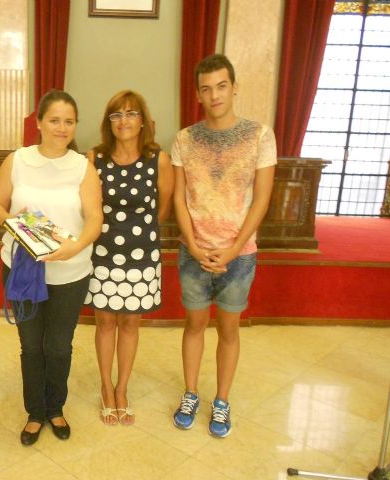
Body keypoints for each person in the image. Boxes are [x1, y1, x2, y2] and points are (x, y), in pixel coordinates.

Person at [0, 89, 103, 446]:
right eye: (54, 120)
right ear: (38, 123)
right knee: (31, 345)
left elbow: (95, 218)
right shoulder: (18, 160)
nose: (61, 128)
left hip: (70, 272)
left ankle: (56, 407)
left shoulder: (83, 167)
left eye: (69, 121)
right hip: (23, 268)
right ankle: (35, 412)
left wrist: (76, 246)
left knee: (59, 346)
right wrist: (12, 222)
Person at [171, 54, 276, 438]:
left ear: (234, 87)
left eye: (221, 86)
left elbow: (262, 199)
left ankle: (222, 400)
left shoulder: (260, 135)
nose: (214, 94)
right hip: (194, 252)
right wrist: (194, 244)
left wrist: (232, 249)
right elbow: (179, 198)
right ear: (198, 94)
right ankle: (190, 393)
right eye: (206, 88)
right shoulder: (184, 139)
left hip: (239, 255)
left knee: (229, 329)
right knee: (195, 325)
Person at [85, 90, 173, 426]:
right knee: (105, 322)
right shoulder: (95, 158)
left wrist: (139, 234)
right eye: (117, 114)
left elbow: (162, 208)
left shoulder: (158, 160)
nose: (124, 121)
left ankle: (122, 388)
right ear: (109, 122)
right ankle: (105, 386)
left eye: (131, 113)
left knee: (131, 323)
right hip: (103, 253)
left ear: (143, 121)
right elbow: (88, 206)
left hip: (141, 256)